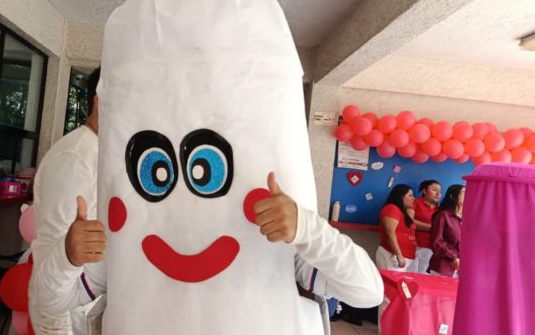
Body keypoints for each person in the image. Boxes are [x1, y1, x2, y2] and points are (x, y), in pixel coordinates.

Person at [32, 172, 384, 333]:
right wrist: (67, 257)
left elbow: (368, 291)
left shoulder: (268, 237)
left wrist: (307, 228)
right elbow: (50, 302)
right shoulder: (132, 237)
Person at [29, 67, 102, 334]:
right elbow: (56, 258)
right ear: (102, 100)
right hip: (66, 318)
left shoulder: (101, 152)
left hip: (88, 307)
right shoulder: (75, 157)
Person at [376, 184, 417, 272]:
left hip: (407, 258)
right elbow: (390, 232)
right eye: (410, 196)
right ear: (401, 197)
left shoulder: (403, 212)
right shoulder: (392, 208)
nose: (413, 198)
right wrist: (399, 254)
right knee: (390, 281)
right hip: (394, 257)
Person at [428, 184, 464, 278]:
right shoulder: (443, 215)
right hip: (443, 266)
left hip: (462, 268)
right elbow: (436, 241)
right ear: (452, 196)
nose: (467, 195)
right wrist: (452, 257)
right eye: (463, 193)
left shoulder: (467, 219)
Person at [410, 179, 441, 273]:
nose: (438, 193)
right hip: (413, 246)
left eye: (440, 191)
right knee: (409, 275)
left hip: (431, 249)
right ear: (424, 190)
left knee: (423, 276)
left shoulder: (440, 210)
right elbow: (409, 221)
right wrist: (432, 228)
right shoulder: (414, 202)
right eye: (434, 190)